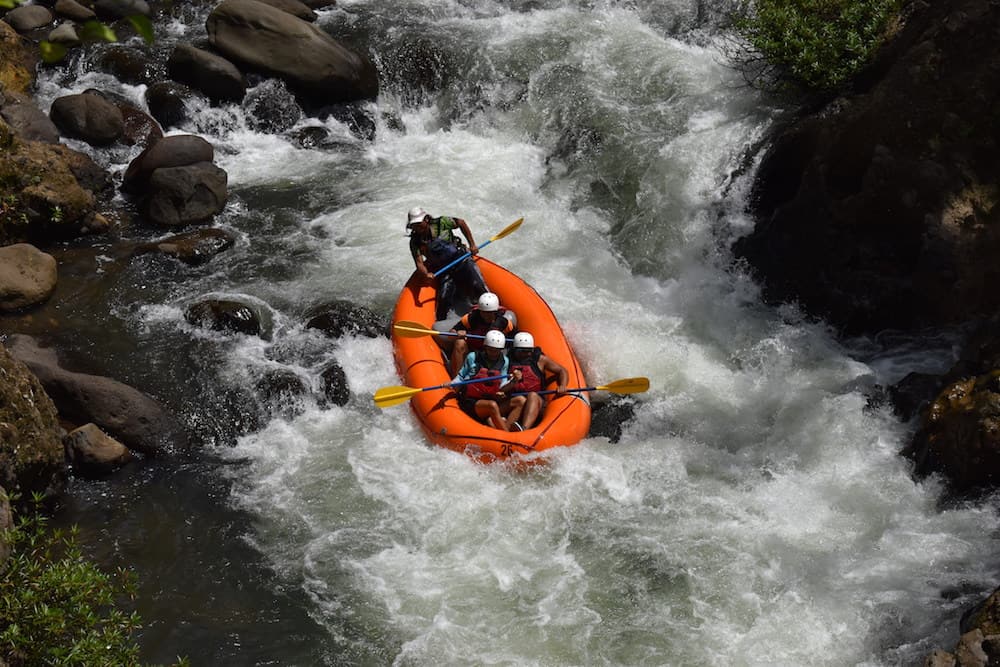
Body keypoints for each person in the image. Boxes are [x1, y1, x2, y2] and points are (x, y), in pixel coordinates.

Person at [406, 206, 488, 321]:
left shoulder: (441, 222)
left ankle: (491, 313)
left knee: (478, 286)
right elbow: (419, 263)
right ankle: (444, 324)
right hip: (444, 269)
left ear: (426, 219)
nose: (417, 228)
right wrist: (426, 275)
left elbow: (461, 222)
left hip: (461, 260)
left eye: (419, 224)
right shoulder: (415, 242)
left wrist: (472, 244)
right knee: (444, 300)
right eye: (414, 225)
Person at [454, 329, 526, 432]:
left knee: (520, 400)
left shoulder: (504, 361)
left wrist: (514, 381)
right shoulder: (473, 357)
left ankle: (503, 425)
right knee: (491, 405)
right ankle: (507, 434)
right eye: (490, 349)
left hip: (492, 399)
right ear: (485, 347)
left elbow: (502, 385)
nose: (493, 353)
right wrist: (452, 384)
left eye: (496, 350)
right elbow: (460, 376)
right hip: (471, 402)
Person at [445, 291, 517, 376]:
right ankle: (457, 378)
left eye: (489, 312)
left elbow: (514, 340)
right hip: (472, 350)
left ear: (495, 311)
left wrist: (500, 343)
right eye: (483, 312)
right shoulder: (471, 318)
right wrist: (457, 333)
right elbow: (450, 335)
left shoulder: (503, 323)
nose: (486, 315)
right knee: (459, 343)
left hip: (492, 353)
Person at [507, 331, 569, 430]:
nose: (527, 354)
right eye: (523, 351)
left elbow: (562, 371)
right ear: (515, 350)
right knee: (520, 400)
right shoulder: (507, 360)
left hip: (536, 402)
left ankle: (524, 429)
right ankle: (505, 429)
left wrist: (563, 386)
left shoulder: (540, 360)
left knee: (533, 395)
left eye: (529, 350)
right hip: (515, 401)